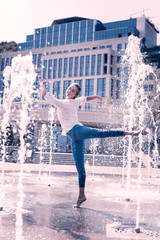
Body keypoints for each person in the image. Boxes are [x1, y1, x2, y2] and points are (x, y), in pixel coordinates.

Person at [39, 77, 148, 208]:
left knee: (100, 133)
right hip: (74, 137)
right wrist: (95, 96)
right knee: (80, 167)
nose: (69, 91)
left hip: (77, 130)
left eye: (72, 91)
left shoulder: (65, 103)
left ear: (75, 95)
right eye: (69, 88)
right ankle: (81, 195)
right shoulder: (71, 101)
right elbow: (85, 98)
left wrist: (41, 83)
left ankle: (130, 133)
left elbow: (47, 95)